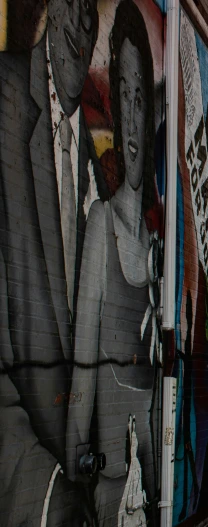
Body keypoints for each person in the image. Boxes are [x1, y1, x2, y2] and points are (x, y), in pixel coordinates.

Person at [0, 0, 106, 523]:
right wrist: (46, 496)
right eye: (74, 5)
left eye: (92, 9)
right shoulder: (7, 99)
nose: (84, 22)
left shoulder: (93, 159)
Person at [64, 1, 159, 523]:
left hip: (146, 479)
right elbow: (82, 364)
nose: (132, 112)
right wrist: (78, 457)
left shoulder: (156, 248)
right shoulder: (102, 224)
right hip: (106, 485)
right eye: (123, 94)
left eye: (141, 96)